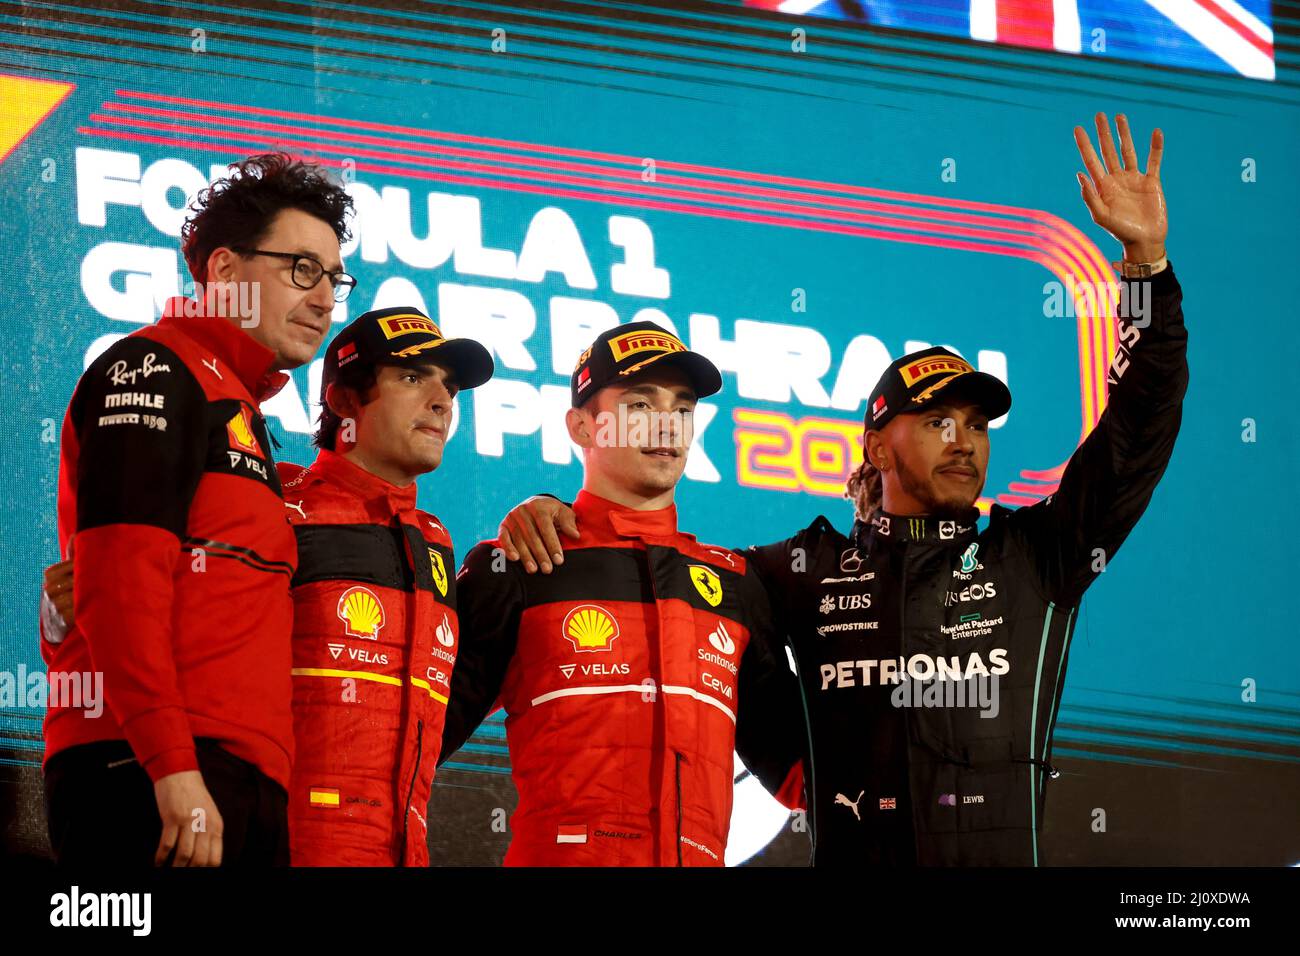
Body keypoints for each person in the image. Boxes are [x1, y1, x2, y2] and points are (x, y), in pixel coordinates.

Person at [494, 112, 1187, 865]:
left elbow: (1140, 424)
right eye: (937, 422)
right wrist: (555, 510)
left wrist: (1145, 265)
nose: (965, 442)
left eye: (977, 426)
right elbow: (650, 560)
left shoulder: (1039, 557)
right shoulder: (800, 572)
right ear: (878, 444)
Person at [41, 152, 353, 866]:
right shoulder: (153, 368)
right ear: (223, 271)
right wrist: (171, 767)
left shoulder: (238, 408)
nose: (326, 299)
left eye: (334, 278)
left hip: (235, 779)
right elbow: (119, 581)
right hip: (148, 771)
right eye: (301, 269)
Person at [441, 322, 804, 866]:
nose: (666, 425)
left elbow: (811, 776)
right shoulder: (524, 563)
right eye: (639, 405)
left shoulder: (737, 585)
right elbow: (411, 732)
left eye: (682, 409)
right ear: (581, 427)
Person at [278, 306, 492, 865]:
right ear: (345, 400)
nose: (443, 401)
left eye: (449, 387)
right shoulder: (276, 508)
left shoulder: (435, 542)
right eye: (413, 378)